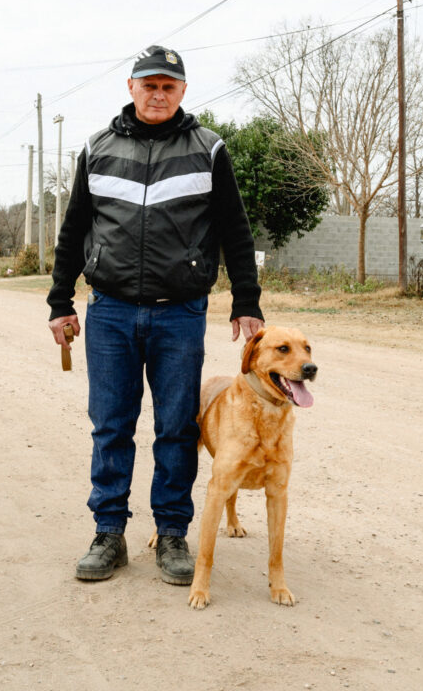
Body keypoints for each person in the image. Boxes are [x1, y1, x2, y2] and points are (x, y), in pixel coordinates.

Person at [47, 44, 263, 586]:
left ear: (183, 91)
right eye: (150, 84)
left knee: (174, 429)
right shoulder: (97, 149)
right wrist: (59, 301)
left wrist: (247, 301)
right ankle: (108, 534)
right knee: (111, 427)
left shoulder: (208, 149)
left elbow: (234, 230)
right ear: (131, 87)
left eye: (169, 85)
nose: (159, 93)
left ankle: (171, 535)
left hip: (180, 315)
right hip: (111, 313)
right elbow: (74, 231)